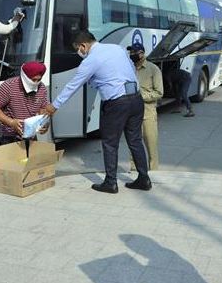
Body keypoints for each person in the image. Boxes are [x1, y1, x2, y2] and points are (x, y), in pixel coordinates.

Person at [43, 31, 152, 194]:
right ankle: (144, 179)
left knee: (110, 142)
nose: (79, 53)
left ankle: (110, 182)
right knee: (135, 140)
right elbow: (132, 70)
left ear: (83, 46)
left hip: (117, 104)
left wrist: (54, 106)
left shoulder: (91, 60)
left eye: (78, 50)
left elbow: (73, 85)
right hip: (136, 99)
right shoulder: (117, 49)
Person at [0, 61, 49, 144]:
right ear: (25, 77)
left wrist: (44, 124)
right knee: (12, 157)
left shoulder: (41, 88)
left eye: (38, 80)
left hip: (30, 135)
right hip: (9, 136)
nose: (35, 83)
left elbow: (43, 108)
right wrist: (11, 122)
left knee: (33, 157)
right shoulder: (9, 86)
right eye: (33, 80)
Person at [127, 42, 164, 170]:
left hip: (148, 114)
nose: (132, 55)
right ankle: (134, 171)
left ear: (142, 53)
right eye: (130, 53)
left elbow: (159, 92)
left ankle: (153, 172)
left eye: (134, 53)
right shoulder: (129, 68)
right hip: (132, 114)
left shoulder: (153, 69)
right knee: (133, 146)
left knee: (151, 147)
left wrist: (141, 96)